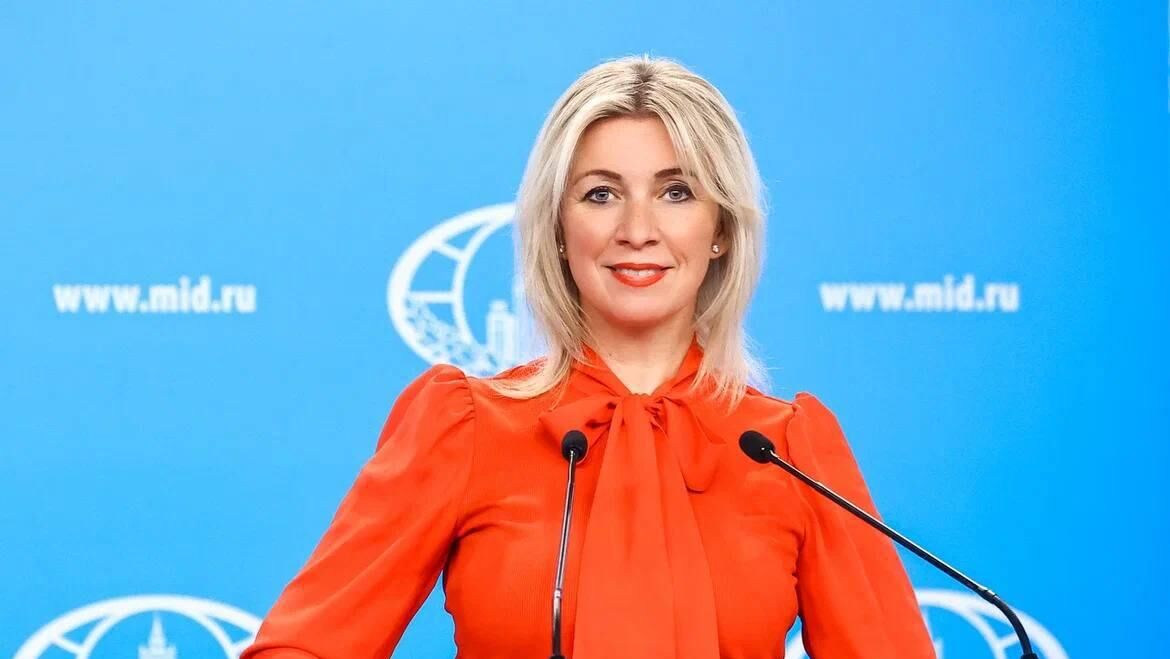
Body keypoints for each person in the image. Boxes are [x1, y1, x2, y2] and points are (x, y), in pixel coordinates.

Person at [241, 55, 936, 659]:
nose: (637, 229)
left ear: (721, 228)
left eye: (676, 192)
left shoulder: (789, 448)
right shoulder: (462, 425)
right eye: (601, 194)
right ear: (557, 226)